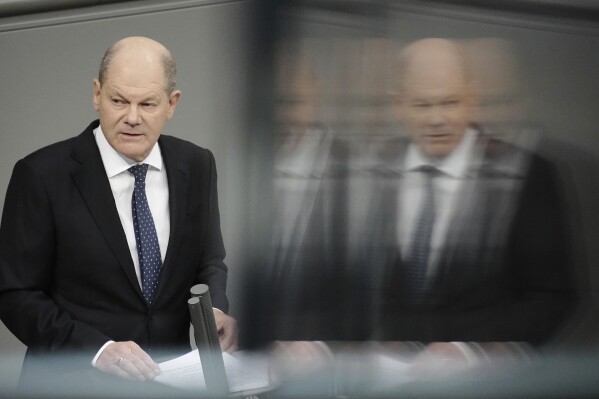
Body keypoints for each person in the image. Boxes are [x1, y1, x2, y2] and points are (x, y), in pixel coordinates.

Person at [0, 36, 237, 390]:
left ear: (171, 104)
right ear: (96, 94)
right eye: (118, 100)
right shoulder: (41, 175)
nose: (132, 117)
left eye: (148, 104)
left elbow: (209, 260)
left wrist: (214, 311)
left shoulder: (197, 164)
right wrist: (97, 350)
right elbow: (15, 294)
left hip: (171, 385)